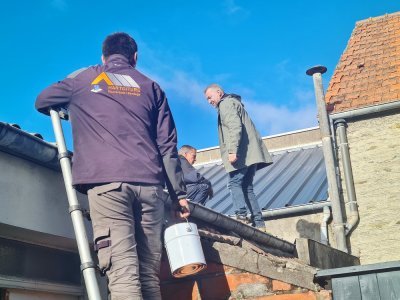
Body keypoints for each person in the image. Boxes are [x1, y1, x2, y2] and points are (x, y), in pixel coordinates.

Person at [35, 32, 190, 300]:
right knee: (148, 277)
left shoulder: (85, 79)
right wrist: (180, 195)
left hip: (108, 184)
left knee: (123, 275)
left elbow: (43, 100)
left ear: (103, 56)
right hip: (150, 186)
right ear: (135, 58)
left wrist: (75, 106)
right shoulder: (151, 87)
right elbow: (167, 147)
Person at [204, 84, 272, 232]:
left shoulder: (226, 104)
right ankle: (259, 222)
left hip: (242, 154)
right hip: (251, 154)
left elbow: (235, 127)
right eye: (207, 100)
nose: (209, 101)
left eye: (210, 97)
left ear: (219, 92)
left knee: (234, 184)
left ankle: (241, 216)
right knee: (247, 187)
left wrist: (232, 151)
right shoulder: (234, 103)